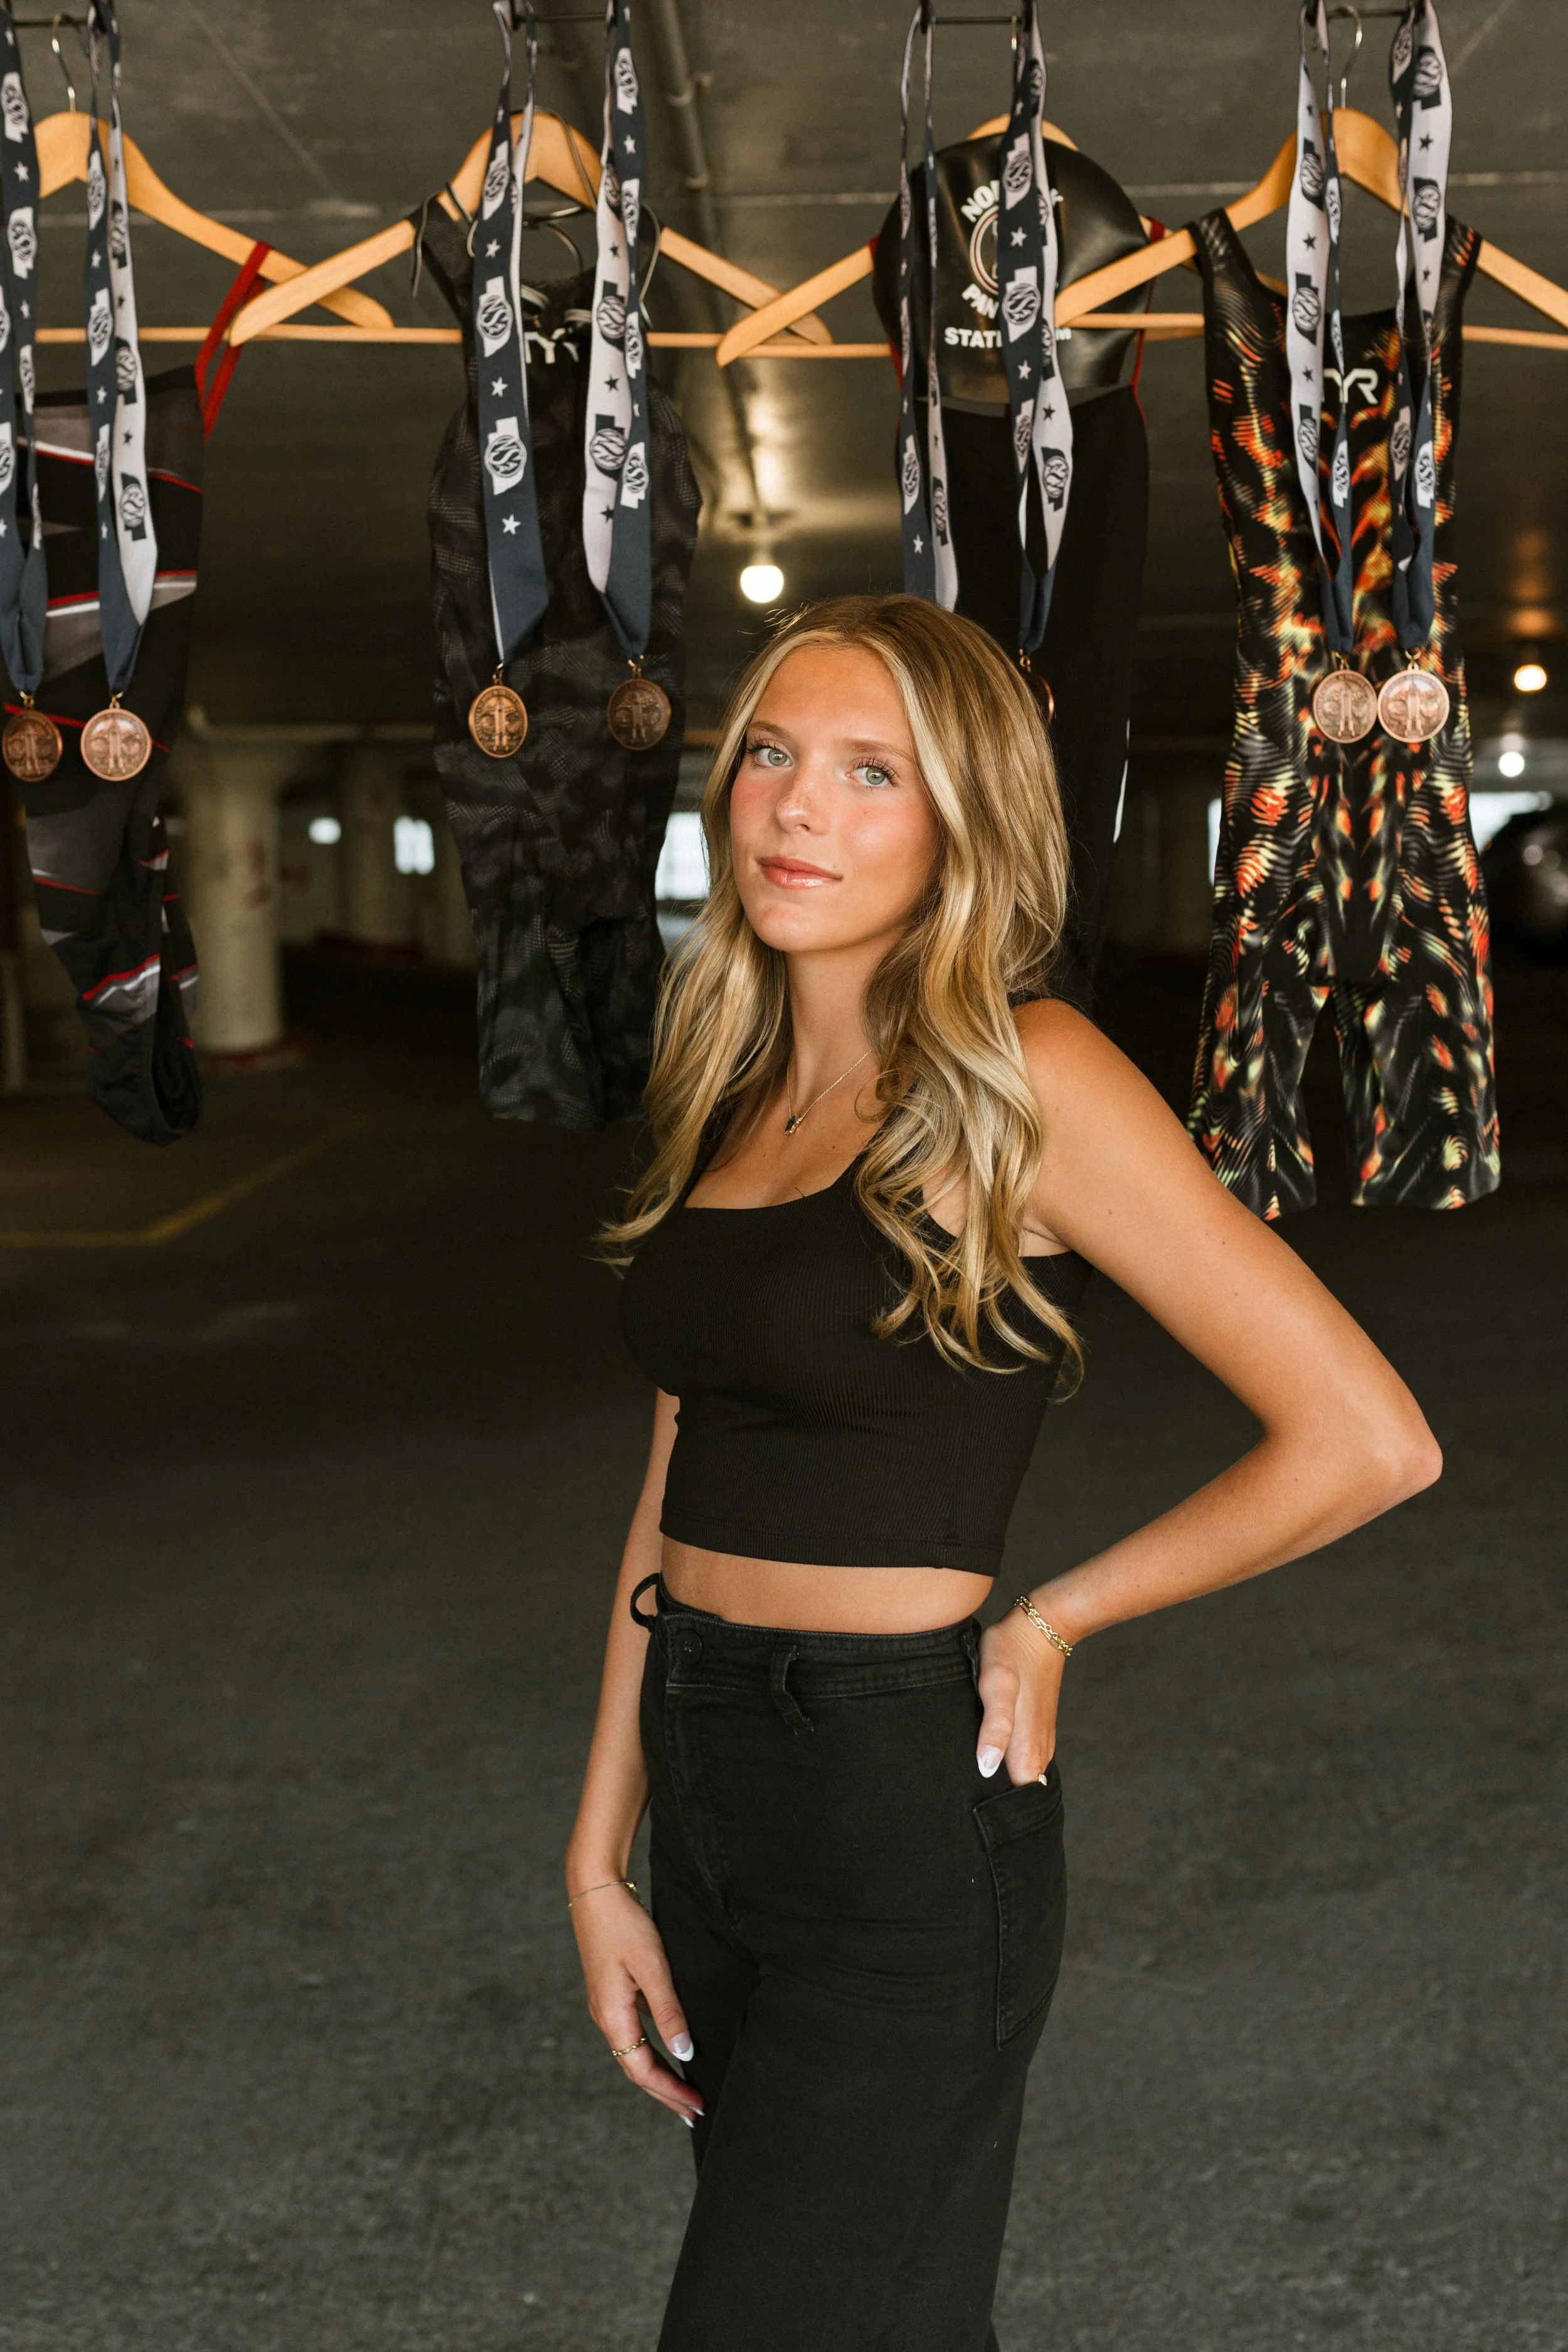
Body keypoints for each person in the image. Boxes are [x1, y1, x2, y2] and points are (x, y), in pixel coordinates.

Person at [565, 594, 1440, 2351]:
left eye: (869, 773)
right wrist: (601, 1854)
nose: (795, 810)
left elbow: (1366, 1435)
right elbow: (675, 1489)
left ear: (963, 816)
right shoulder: (732, 1083)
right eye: (770, 758)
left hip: (899, 1808)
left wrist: (1056, 1619)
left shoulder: (1020, 1076)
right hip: (712, 1787)